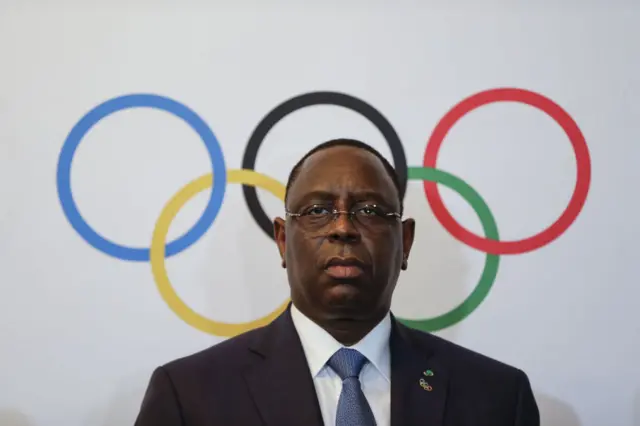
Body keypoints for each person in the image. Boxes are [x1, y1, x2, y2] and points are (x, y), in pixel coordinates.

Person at [134, 138, 540, 426]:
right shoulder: (189, 396)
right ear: (282, 240)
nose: (343, 228)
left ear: (406, 242)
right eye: (317, 210)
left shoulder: (497, 398)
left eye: (369, 210)